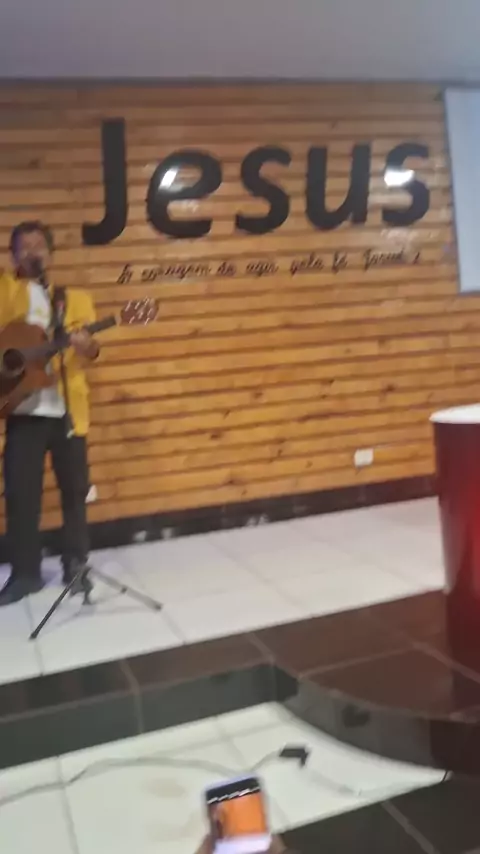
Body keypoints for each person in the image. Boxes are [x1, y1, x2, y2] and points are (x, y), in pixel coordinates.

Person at [0, 220, 100, 606]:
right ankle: (26, 574)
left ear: (51, 252)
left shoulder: (75, 300)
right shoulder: (5, 290)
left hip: (67, 412)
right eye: (23, 247)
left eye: (38, 245)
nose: (32, 252)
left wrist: (86, 345)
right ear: (13, 256)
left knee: (74, 492)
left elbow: (92, 351)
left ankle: (76, 564)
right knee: (21, 495)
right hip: (22, 409)